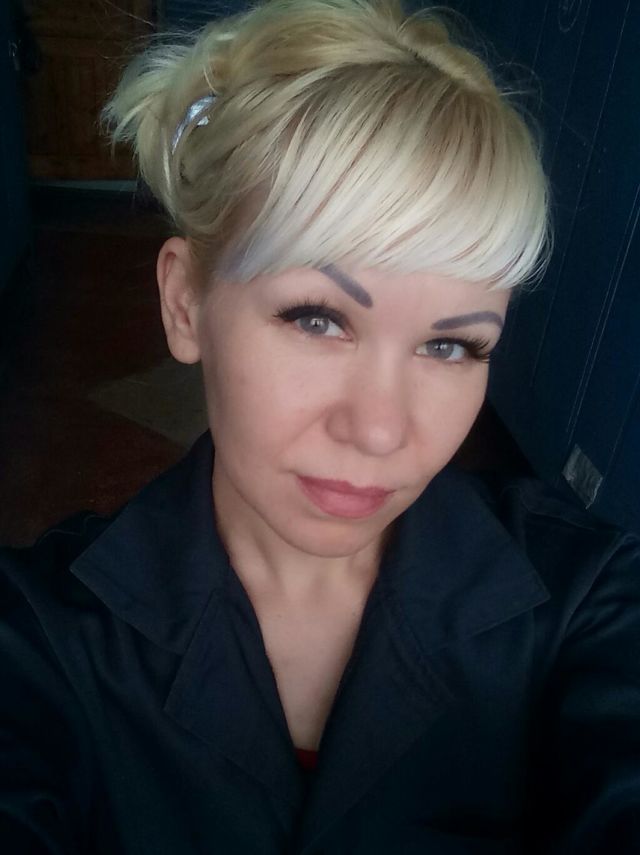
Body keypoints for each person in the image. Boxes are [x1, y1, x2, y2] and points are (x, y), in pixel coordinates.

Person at [1, 0, 639, 852]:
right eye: (317, 319)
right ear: (185, 303)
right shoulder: (36, 638)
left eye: (450, 345)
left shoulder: (587, 599)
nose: (380, 431)